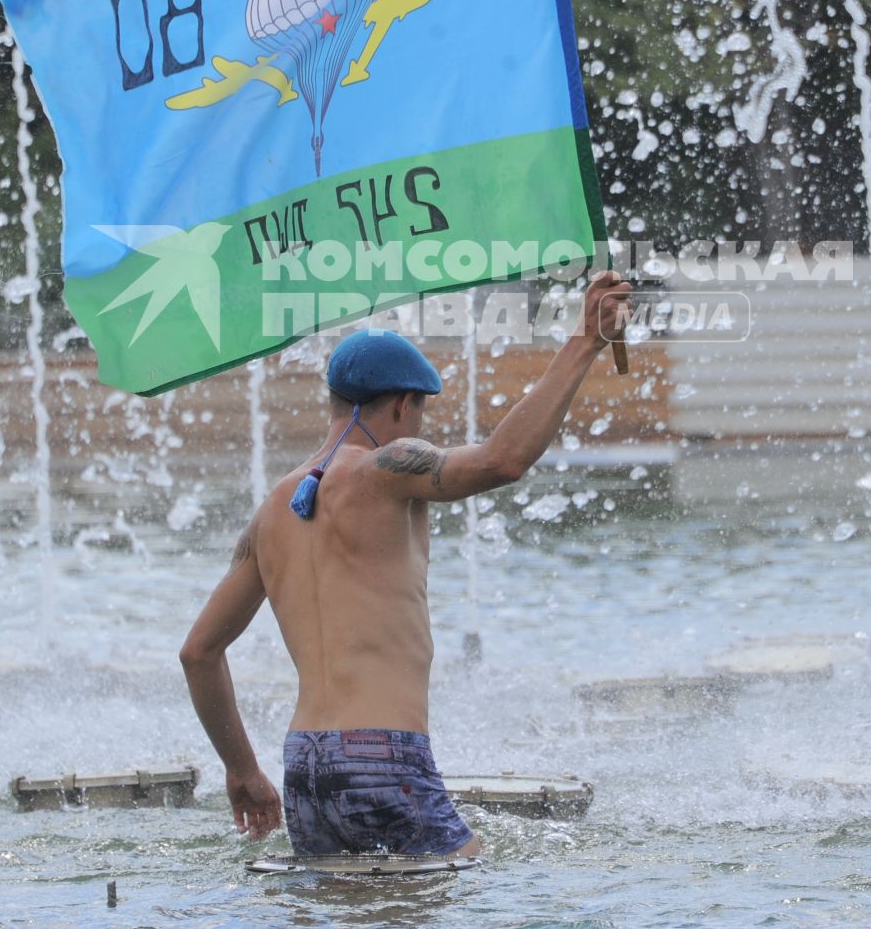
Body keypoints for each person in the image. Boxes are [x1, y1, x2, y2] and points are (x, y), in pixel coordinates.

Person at [180, 271, 632, 856]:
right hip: (383, 754)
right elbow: (502, 461)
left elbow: (198, 652)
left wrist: (241, 770)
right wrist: (585, 341)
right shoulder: (386, 467)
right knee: (467, 889)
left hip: (303, 770)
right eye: (420, 413)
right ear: (402, 403)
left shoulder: (273, 511)